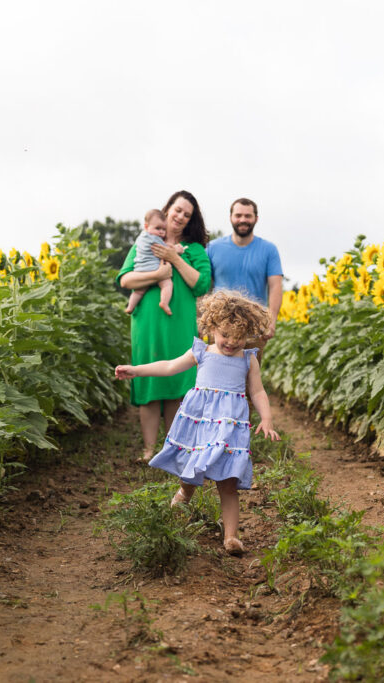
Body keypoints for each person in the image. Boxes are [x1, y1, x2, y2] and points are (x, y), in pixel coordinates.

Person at [114, 290, 280, 556]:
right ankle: (178, 508)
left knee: (228, 480)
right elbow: (168, 366)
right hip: (201, 422)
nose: (231, 343)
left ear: (248, 334)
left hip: (229, 425)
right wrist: (136, 370)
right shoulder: (201, 352)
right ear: (212, 327)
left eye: (239, 338)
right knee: (190, 475)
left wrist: (267, 418)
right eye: (225, 336)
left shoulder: (249, 359)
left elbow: (258, 392)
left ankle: (231, 537)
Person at [117, 190, 212, 462]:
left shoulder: (194, 250)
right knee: (147, 383)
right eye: (177, 209)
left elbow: (201, 284)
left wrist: (174, 258)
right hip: (146, 323)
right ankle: (148, 450)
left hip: (180, 323)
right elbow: (126, 280)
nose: (180, 216)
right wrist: (157, 274)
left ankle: (173, 449)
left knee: (176, 384)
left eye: (187, 214)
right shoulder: (145, 241)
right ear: (168, 209)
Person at [206, 198, 283, 349]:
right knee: (216, 371)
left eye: (248, 216)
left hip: (254, 327)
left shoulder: (269, 250)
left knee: (251, 370)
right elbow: (202, 285)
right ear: (231, 217)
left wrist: (272, 320)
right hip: (219, 326)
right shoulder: (212, 248)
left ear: (256, 219)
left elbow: (275, 286)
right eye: (238, 215)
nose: (243, 220)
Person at [124, 208, 184, 315]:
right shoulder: (154, 238)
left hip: (140, 269)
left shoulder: (141, 237)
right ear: (146, 227)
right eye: (158, 228)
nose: (161, 232)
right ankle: (164, 302)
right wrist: (177, 250)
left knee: (139, 291)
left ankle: (130, 307)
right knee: (167, 285)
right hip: (154, 267)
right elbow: (166, 250)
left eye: (163, 229)